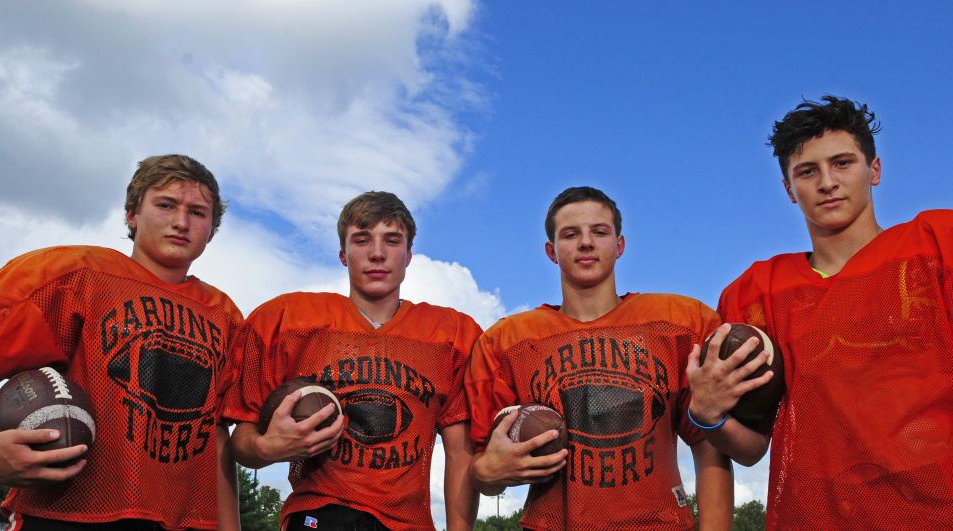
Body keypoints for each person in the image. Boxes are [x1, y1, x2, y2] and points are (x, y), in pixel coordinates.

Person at [687, 95, 953, 529]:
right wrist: (708, 415)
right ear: (790, 190)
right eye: (807, 171)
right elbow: (751, 448)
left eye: (843, 163)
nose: (827, 182)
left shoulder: (937, 245)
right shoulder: (758, 291)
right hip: (808, 517)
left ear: (875, 170)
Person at [0, 154, 244, 530]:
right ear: (132, 215)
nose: (181, 222)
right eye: (166, 205)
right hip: (67, 509)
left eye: (198, 212)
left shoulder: (225, 316)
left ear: (211, 229)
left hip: (179, 518)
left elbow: (216, 432)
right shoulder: (74, 276)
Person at [466, 186, 733, 531]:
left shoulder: (679, 323)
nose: (586, 243)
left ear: (619, 245)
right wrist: (487, 472)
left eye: (599, 232)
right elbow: (482, 470)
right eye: (571, 234)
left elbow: (709, 444)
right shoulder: (507, 342)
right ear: (552, 251)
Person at [223, 191, 481, 531]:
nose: (377, 253)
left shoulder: (451, 336)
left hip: (406, 521)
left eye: (392, 240)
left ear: (409, 255)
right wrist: (268, 447)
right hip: (319, 511)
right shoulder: (289, 321)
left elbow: (460, 454)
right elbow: (241, 437)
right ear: (344, 255)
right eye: (362, 240)